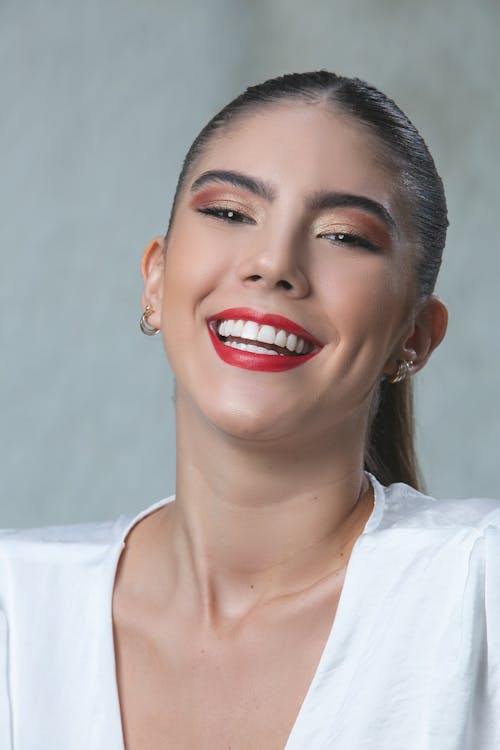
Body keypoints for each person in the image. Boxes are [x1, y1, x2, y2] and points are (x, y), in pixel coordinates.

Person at [0, 70, 498, 749]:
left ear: (413, 337)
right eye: (230, 213)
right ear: (155, 279)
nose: (273, 263)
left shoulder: (478, 592)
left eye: (345, 235)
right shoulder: (15, 609)